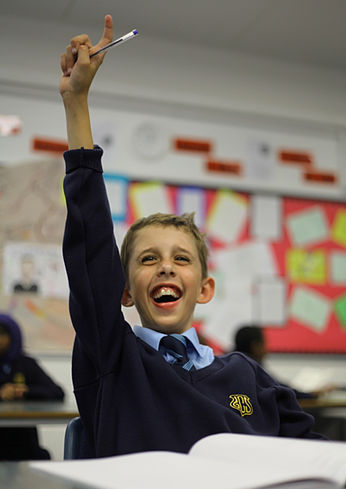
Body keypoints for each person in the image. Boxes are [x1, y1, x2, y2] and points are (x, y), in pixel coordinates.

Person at [59, 14, 326, 459]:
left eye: (182, 259)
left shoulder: (246, 376)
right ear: (123, 291)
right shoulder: (113, 359)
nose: (165, 265)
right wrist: (77, 103)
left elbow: (313, 453)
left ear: (204, 288)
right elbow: (89, 248)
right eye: (147, 259)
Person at [0, 313, 65, 460]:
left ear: (13, 336)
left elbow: (57, 392)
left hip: (23, 446)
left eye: (2, 334)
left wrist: (24, 391)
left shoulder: (26, 364)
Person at [233, 325, 336, 400]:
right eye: (264, 345)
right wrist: (312, 395)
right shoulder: (252, 368)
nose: (266, 350)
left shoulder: (230, 364)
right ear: (255, 346)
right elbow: (280, 389)